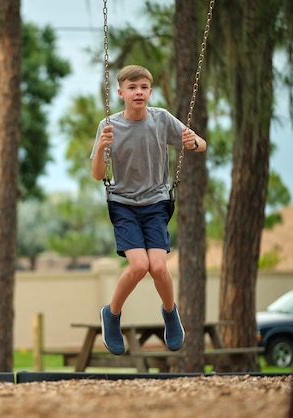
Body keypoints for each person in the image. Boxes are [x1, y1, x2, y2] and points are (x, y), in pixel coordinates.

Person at [90, 65, 207, 354]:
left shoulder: (161, 119)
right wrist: (103, 146)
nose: (138, 92)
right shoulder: (110, 127)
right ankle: (112, 314)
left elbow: (200, 144)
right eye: (132, 88)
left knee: (158, 268)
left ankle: (170, 314)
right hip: (124, 205)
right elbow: (96, 174)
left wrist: (193, 142)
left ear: (150, 92)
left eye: (143, 87)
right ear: (121, 93)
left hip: (155, 203)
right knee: (139, 266)